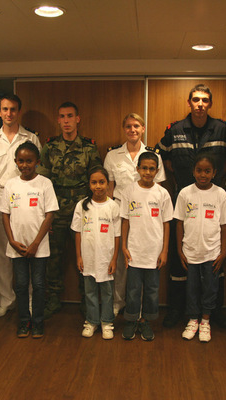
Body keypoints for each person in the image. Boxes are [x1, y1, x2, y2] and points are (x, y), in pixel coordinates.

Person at [156, 84, 226, 328]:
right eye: (196, 99)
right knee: (179, 258)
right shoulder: (175, 129)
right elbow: (162, 157)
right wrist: (179, 181)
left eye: (205, 100)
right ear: (189, 102)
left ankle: (214, 312)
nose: (200, 104)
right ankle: (177, 309)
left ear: (210, 104)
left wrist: (220, 179)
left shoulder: (222, 129)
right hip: (183, 197)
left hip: (215, 196)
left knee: (215, 259)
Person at [37, 101, 102, 318]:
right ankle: (53, 298)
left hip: (82, 209)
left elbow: (96, 180)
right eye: (62, 116)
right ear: (58, 120)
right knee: (54, 258)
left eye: (70, 116)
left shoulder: (89, 147)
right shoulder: (49, 147)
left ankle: (87, 299)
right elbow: (42, 181)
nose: (66, 121)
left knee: (84, 255)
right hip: (56, 209)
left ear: (77, 119)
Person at [0, 94, 42, 319]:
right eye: (5, 109)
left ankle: (29, 299)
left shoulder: (32, 138)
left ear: (19, 111)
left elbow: (39, 171)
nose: (9, 114)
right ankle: (5, 299)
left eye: (13, 109)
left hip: (27, 198)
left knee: (27, 249)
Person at [103, 113, 165, 315]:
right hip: (120, 211)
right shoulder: (113, 155)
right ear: (124, 129)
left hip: (145, 213)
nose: (133, 130)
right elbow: (109, 188)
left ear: (143, 129)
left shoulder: (153, 155)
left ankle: (140, 306)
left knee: (140, 260)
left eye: (136, 126)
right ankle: (119, 301)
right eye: (129, 126)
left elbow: (159, 187)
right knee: (120, 260)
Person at [1, 142, 58, 338]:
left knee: (40, 285)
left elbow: (49, 215)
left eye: (29, 161)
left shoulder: (45, 183)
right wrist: (11, 240)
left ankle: (38, 321)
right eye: (21, 161)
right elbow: (5, 215)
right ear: (15, 162)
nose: (25, 165)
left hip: (39, 247)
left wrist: (35, 243)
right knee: (21, 285)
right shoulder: (10, 184)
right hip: (17, 246)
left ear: (37, 162)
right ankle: (24, 321)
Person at [174, 153, 226, 342]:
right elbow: (179, 223)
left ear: (215, 173)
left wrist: (223, 251)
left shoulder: (220, 194)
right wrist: (179, 250)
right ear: (193, 171)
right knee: (191, 288)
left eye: (207, 171)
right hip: (190, 251)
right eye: (199, 170)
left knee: (210, 287)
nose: (203, 175)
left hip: (212, 252)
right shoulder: (185, 193)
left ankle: (205, 320)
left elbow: (225, 224)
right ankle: (193, 320)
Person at [121, 152, 173, 341]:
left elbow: (167, 223)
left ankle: (146, 321)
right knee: (133, 289)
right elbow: (125, 221)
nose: (148, 172)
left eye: (152, 169)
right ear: (138, 169)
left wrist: (165, 250)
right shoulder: (129, 191)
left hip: (154, 252)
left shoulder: (162, 193)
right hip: (134, 250)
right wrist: (124, 247)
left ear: (157, 171)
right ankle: (131, 320)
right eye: (144, 168)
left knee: (151, 290)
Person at [72, 166, 121, 339]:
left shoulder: (113, 206)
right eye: (94, 182)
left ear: (108, 184)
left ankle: (107, 322)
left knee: (107, 291)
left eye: (102, 182)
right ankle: (92, 321)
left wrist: (114, 259)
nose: (98, 186)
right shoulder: (82, 205)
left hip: (106, 258)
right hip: (88, 257)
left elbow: (117, 235)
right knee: (90, 291)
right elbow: (77, 232)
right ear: (89, 184)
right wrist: (79, 255)